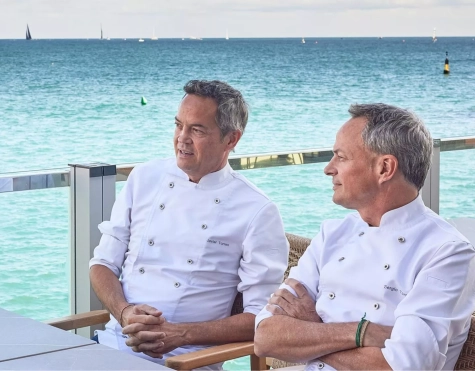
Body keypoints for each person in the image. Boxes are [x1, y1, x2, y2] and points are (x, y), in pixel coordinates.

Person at [253, 103, 475, 370]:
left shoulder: (446, 252)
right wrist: (361, 332)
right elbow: (265, 337)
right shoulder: (332, 234)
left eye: (341, 157)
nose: (328, 168)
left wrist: (312, 330)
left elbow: (402, 366)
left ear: (384, 168)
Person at [89, 80, 289, 369]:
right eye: (178, 125)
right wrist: (124, 312)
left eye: (197, 130)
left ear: (231, 139)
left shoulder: (257, 211)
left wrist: (180, 334)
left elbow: (262, 319)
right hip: (111, 346)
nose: (182, 138)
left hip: (186, 361)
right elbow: (102, 264)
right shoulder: (144, 178)